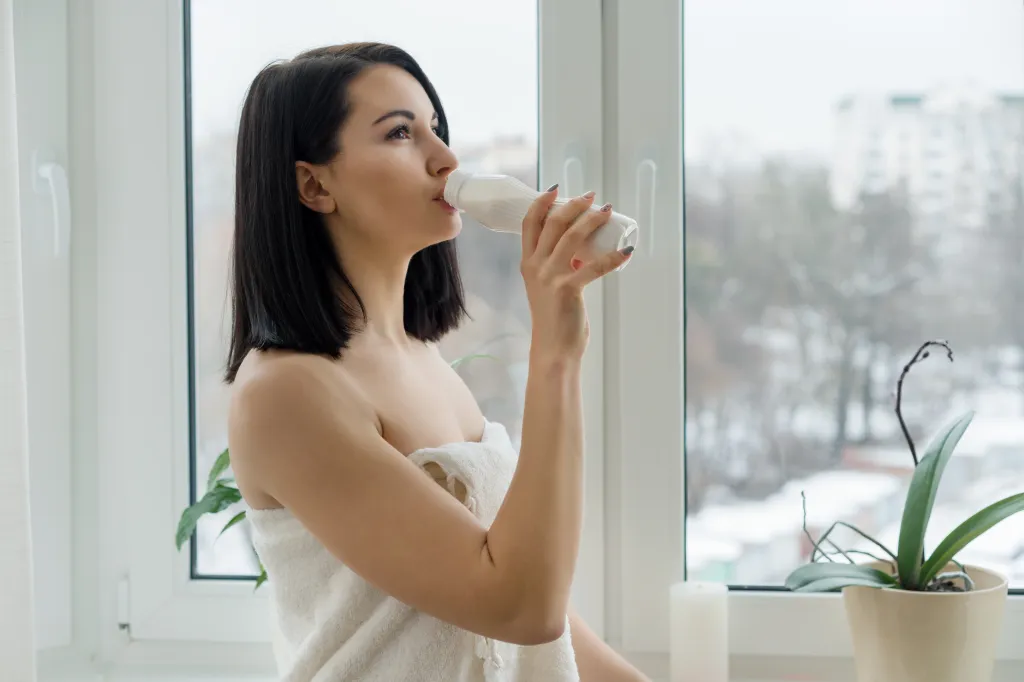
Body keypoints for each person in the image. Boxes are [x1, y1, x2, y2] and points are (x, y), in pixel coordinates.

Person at [225, 42, 645, 682]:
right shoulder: (286, 393)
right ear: (314, 183)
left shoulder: (422, 362)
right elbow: (517, 607)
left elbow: (547, 625)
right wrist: (555, 355)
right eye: (400, 132)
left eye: (437, 129)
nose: (446, 159)